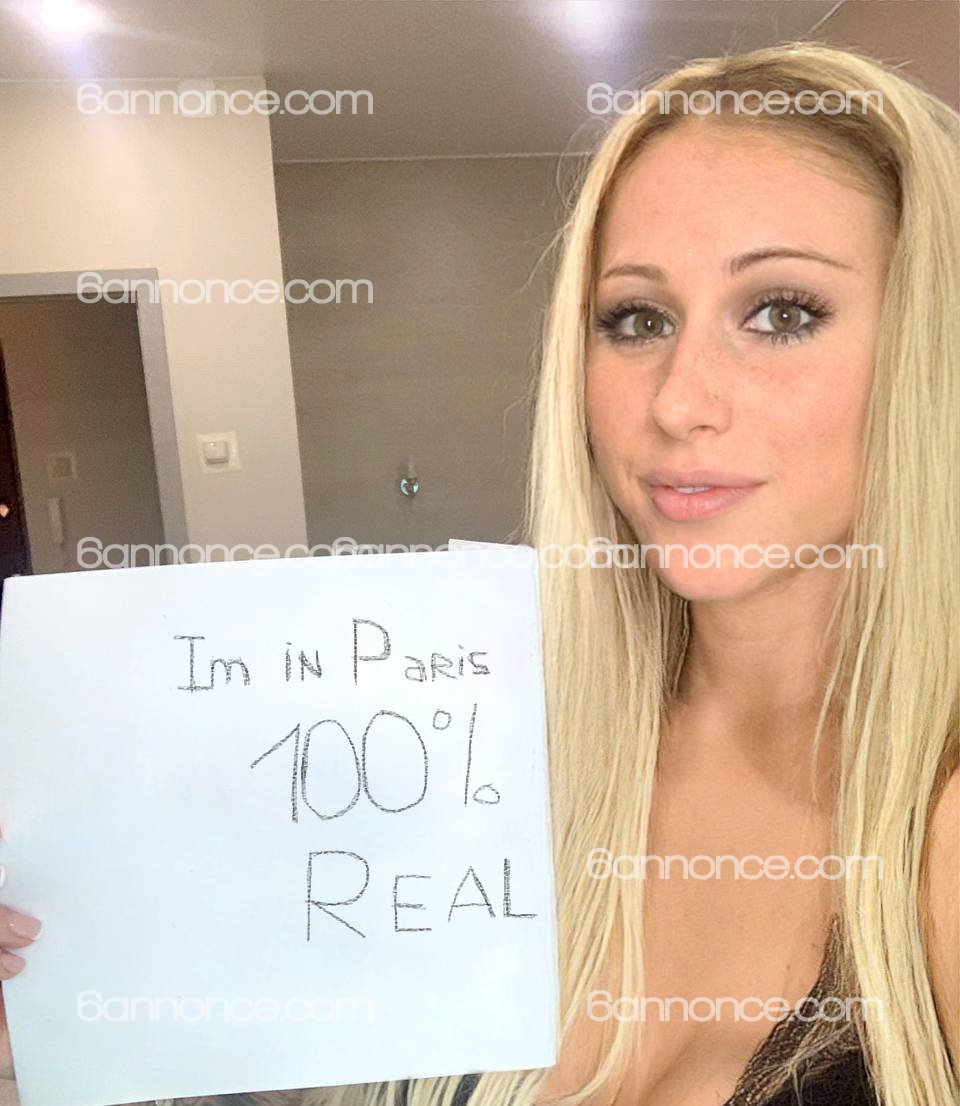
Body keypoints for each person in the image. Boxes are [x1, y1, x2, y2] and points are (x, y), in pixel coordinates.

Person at [1, 39, 956, 1106]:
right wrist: (78, 985)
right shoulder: (477, 742)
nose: (678, 400)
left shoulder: (939, 834)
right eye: (636, 319)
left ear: (929, 351)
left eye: (782, 312)